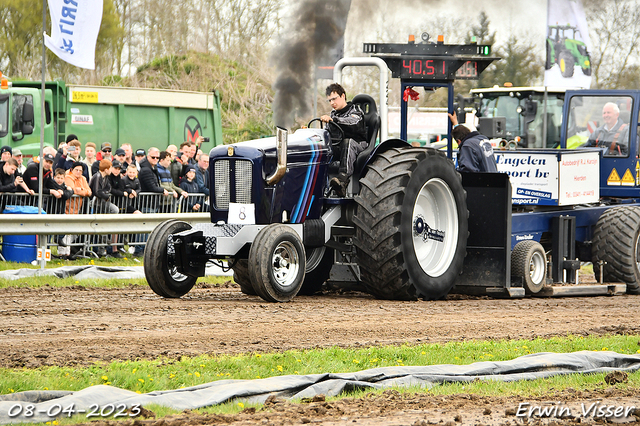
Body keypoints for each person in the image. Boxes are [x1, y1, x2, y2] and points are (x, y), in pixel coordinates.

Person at [321, 83, 367, 197]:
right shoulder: (333, 114)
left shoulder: (355, 110)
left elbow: (353, 122)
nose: (332, 103)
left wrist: (334, 120)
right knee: (323, 147)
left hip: (359, 145)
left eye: (334, 99)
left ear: (343, 96)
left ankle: (342, 181)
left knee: (348, 142)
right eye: (329, 101)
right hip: (339, 146)